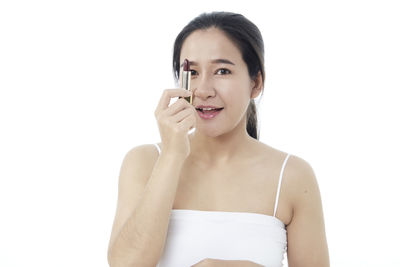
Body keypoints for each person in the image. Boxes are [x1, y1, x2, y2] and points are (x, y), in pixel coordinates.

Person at [107, 11, 330, 267]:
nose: (203, 90)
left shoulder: (292, 175)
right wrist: (172, 155)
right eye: (192, 73)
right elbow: (126, 264)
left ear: (256, 83)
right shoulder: (145, 161)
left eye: (222, 71)